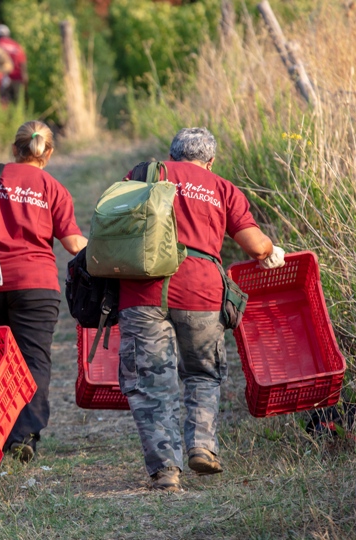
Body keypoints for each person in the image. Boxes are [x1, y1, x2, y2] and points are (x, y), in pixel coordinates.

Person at [117, 127, 286, 492]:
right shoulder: (223, 188)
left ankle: (165, 471)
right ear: (210, 161)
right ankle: (202, 447)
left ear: (173, 155)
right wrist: (272, 251)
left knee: (151, 383)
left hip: (142, 290)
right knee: (203, 373)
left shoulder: (147, 173)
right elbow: (256, 246)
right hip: (201, 291)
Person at [0, 120, 87, 462]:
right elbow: (73, 243)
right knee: (34, 360)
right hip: (36, 285)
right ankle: (25, 435)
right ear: (47, 153)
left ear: (14, 148)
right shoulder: (54, 187)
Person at [0, 24, 27, 103]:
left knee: (2, 105)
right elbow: (23, 63)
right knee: (17, 104)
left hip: (1, 80)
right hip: (17, 79)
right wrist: (25, 80)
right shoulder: (17, 45)